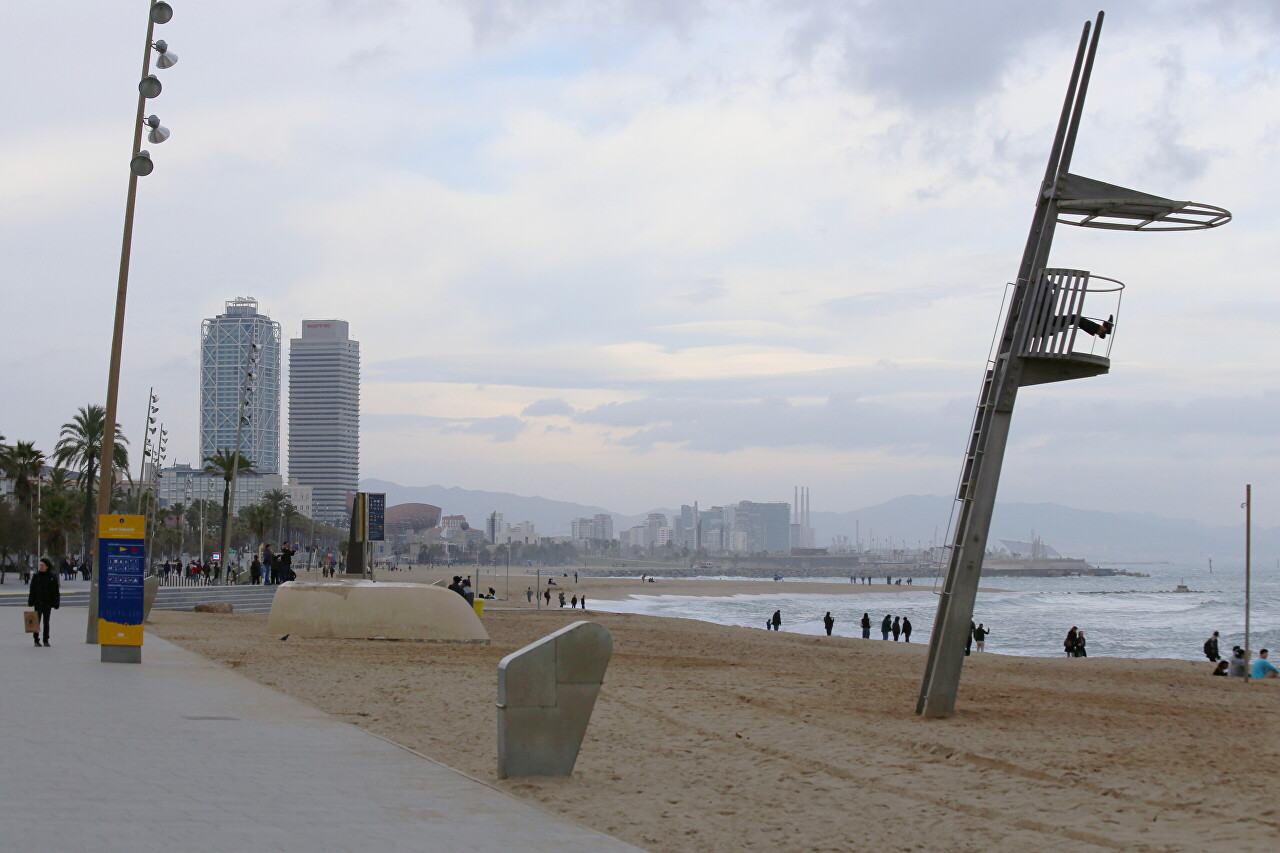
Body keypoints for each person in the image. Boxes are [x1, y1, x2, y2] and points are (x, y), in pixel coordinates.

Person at [28, 557, 59, 647]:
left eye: (42, 565)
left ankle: (46, 639)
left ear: (47, 567)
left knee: (46, 621)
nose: (40, 567)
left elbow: (55, 591)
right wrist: (31, 600)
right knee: (36, 621)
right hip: (38, 602)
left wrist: (56, 603)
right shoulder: (36, 576)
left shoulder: (52, 577)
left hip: (47, 603)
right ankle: (36, 639)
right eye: (40, 565)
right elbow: (32, 589)